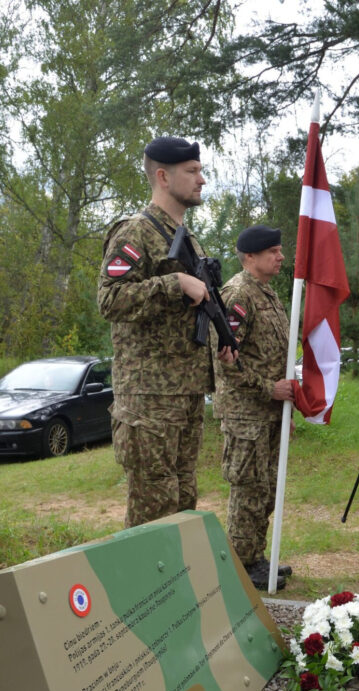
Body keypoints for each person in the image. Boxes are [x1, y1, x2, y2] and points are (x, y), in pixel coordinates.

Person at [97, 137, 237, 528]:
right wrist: (174, 283)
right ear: (162, 176)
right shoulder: (135, 232)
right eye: (192, 172)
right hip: (149, 401)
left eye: (200, 171)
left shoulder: (186, 237)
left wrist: (221, 341)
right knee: (153, 512)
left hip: (186, 394)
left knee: (183, 505)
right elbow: (109, 300)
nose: (201, 180)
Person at [213, 225, 297, 590]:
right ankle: (240, 565)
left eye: (279, 250)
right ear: (250, 257)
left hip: (269, 412)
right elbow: (224, 360)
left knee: (266, 489)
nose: (281, 257)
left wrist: (284, 407)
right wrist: (269, 389)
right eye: (273, 252)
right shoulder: (238, 294)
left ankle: (255, 557)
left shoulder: (266, 293)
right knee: (248, 489)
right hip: (246, 412)